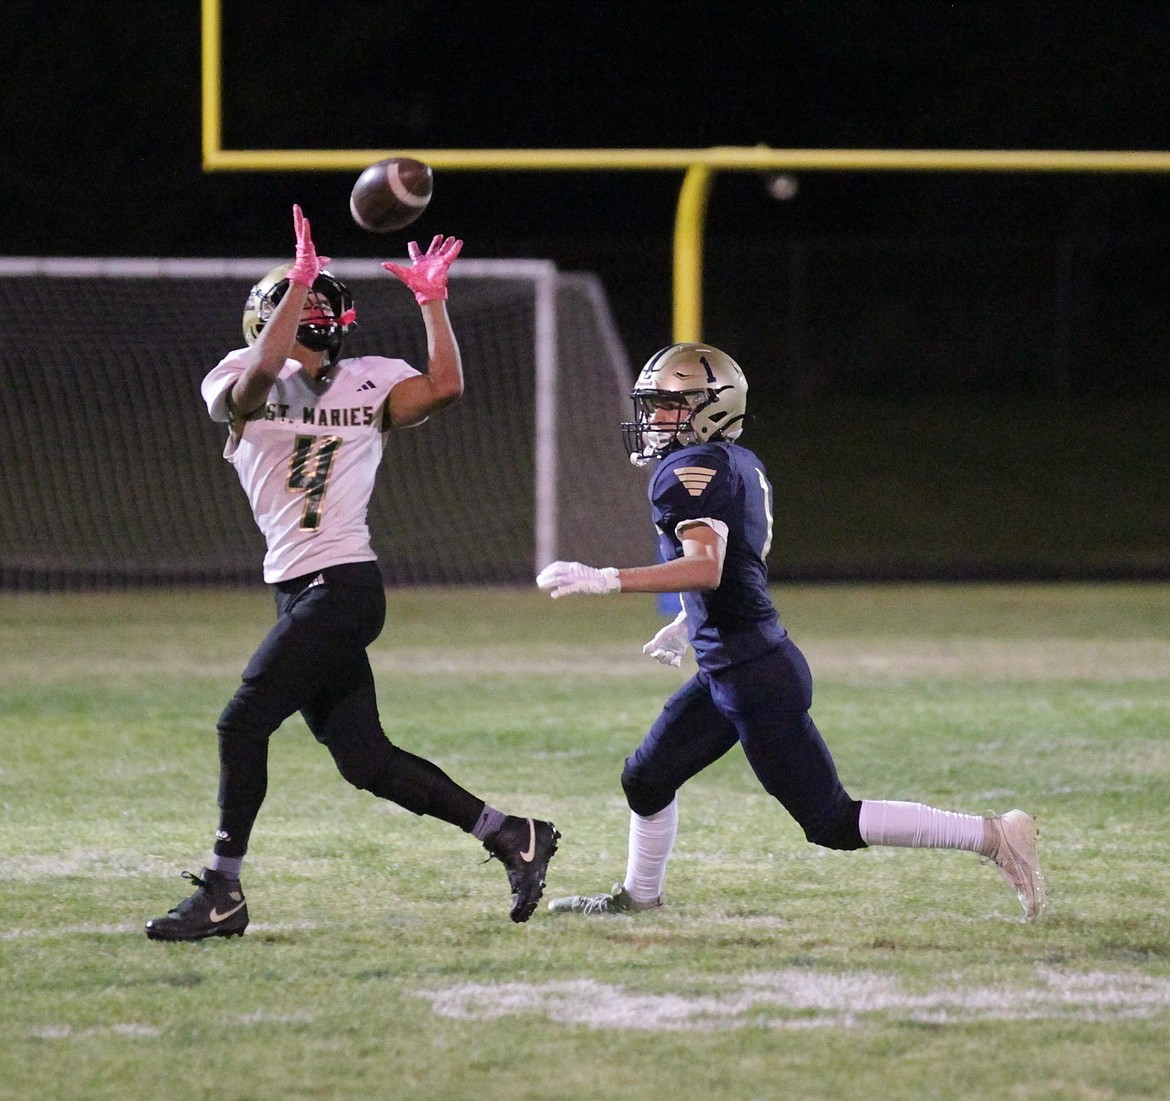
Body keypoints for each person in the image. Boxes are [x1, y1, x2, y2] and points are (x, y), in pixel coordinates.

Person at [145, 206, 558, 941]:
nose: (316, 313)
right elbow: (260, 377)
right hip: (300, 590)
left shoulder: (371, 380)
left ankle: (223, 888)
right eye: (305, 304)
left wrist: (433, 301)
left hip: (345, 586)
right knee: (365, 761)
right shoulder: (240, 375)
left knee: (242, 721)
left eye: (321, 303)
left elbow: (444, 388)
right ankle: (511, 832)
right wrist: (299, 282)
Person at [535, 342, 1043, 921]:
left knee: (829, 821)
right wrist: (689, 620)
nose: (652, 419)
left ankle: (994, 836)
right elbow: (740, 563)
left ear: (711, 406)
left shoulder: (687, 471)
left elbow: (708, 566)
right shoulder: (738, 461)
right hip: (733, 666)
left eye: (668, 405)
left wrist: (607, 579)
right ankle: (639, 897)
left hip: (754, 677)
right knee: (646, 778)